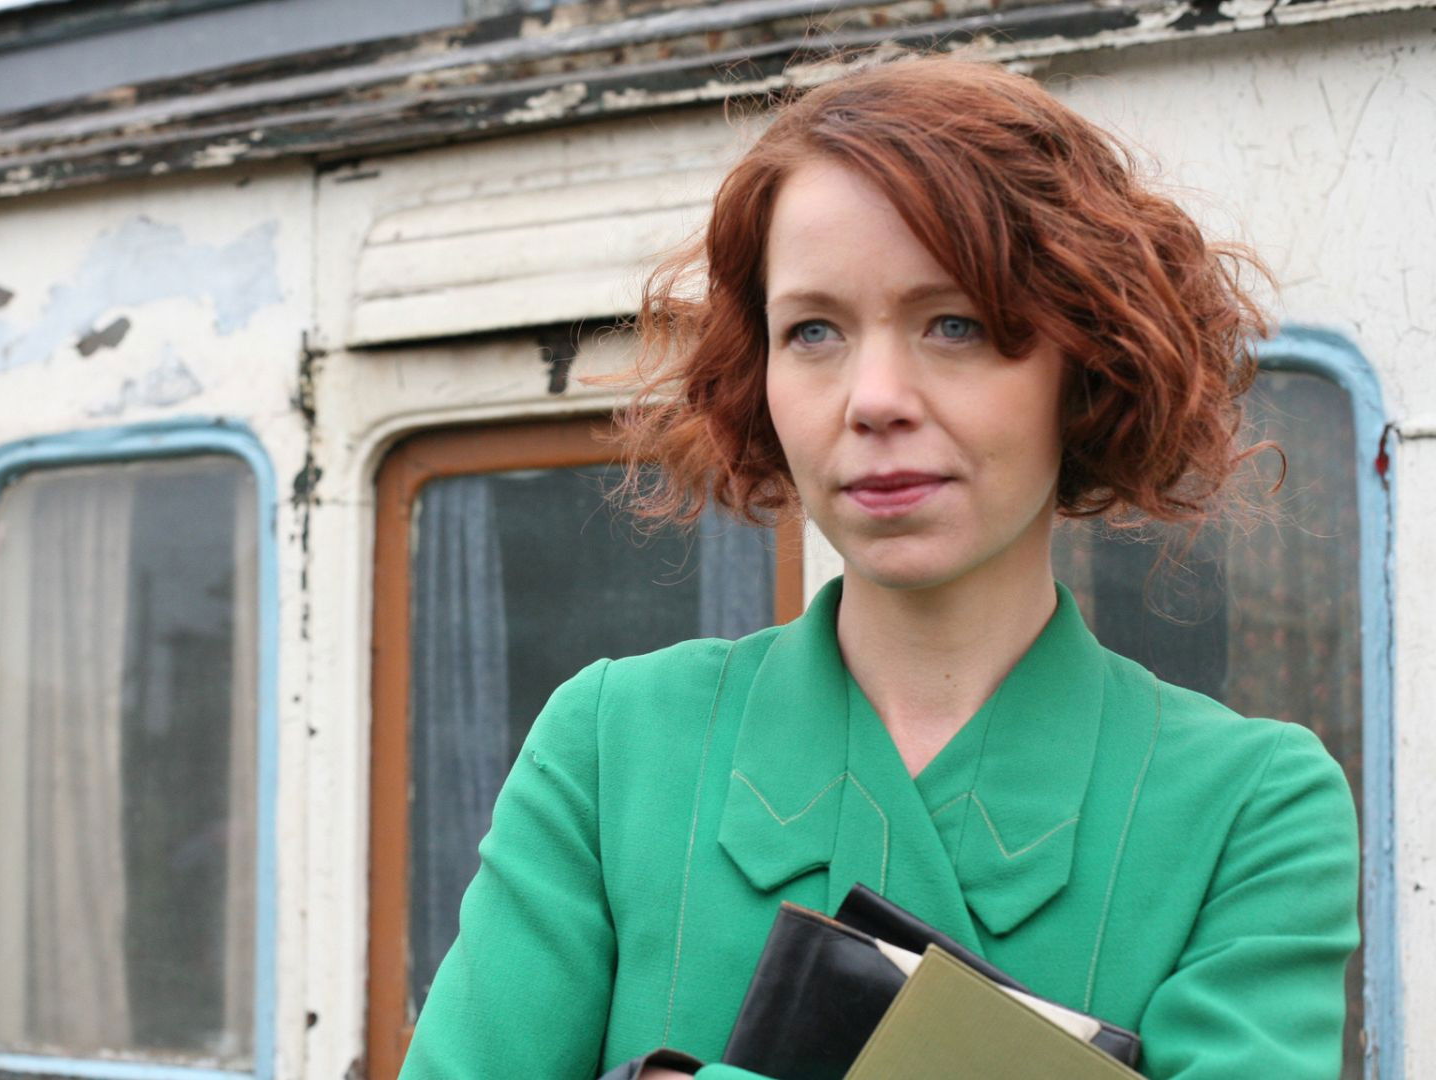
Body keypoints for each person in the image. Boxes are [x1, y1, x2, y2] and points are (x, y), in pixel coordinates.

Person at [394, 47, 1361, 1080]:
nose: (875, 398)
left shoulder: (1251, 808)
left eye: (955, 324)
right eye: (813, 330)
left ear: (1086, 360)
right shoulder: (608, 748)